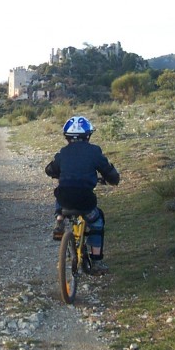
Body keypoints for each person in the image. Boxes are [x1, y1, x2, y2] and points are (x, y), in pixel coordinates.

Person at [45, 115, 120, 273]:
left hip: (65, 199)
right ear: (88, 136)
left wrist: (60, 173)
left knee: (61, 191)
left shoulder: (63, 153)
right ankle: (97, 261)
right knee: (97, 221)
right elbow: (109, 172)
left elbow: (50, 170)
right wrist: (112, 179)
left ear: (67, 137)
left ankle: (59, 218)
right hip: (85, 200)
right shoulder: (94, 151)